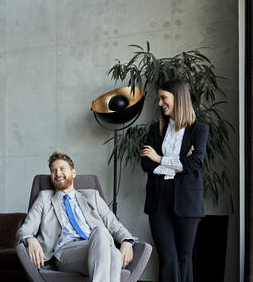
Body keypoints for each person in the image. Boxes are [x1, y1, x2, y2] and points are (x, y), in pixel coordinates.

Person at [17, 152, 136, 282]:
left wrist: (127, 241)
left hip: (96, 243)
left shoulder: (92, 196)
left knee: (111, 249)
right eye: (53, 171)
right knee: (112, 252)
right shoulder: (44, 198)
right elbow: (25, 229)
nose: (57, 174)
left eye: (62, 169)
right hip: (65, 252)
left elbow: (114, 224)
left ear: (73, 173)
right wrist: (30, 239)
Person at [140, 80, 209, 282]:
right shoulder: (156, 129)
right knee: (168, 257)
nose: (160, 103)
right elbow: (146, 164)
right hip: (158, 198)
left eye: (164, 98)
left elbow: (194, 163)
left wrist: (160, 159)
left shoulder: (199, 129)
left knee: (183, 258)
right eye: (159, 99)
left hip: (187, 199)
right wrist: (178, 164)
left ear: (179, 99)